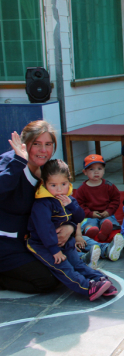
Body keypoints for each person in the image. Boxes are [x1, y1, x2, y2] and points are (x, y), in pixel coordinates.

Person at [0, 122, 73, 294]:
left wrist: (70, 226)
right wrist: (19, 160)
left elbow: (66, 204)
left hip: (30, 241)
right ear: (25, 144)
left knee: (64, 270)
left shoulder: (48, 169)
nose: (43, 150)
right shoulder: (11, 160)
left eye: (48, 144)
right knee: (47, 281)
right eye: (36, 144)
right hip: (6, 244)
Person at [26, 160, 114, 301]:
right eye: (53, 185)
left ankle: (102, 281)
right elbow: (44, 230)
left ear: (69, 181)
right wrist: (54, 250)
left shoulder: (68, 198)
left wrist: (72, 205)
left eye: (63, 184)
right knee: (64, 267)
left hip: (65, 241)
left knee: (78, 263)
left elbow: (79, 217)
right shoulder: (42, 203)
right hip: (44, 245)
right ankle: (88, 288)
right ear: (44, 184)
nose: (59, 189)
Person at [74, 154, 121, 242]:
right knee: (90, 223)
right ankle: (90, 232)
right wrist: (90, 213)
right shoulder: (81, 189)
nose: (96, 172)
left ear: (104, 171)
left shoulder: (109, 186)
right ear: (85, 172)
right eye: (91, 169)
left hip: (106, 213)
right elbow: (79, 205)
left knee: (109, 221)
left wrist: (108, 211)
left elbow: (115, 200)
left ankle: (106, 233)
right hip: (90, 215)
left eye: (99, 169)